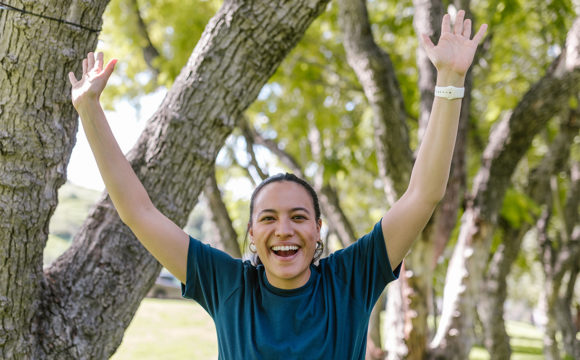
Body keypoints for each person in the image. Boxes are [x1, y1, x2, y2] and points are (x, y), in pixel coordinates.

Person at [68, 9, 486, 359]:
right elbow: (137, 212)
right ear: (252, 234)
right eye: (268, 218)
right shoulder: (229, 286)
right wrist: (89, 109)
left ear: (318, 229)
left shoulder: (351, 279)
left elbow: (424, 194)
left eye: (298, 216)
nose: (283, 229)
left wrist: (449, 82)